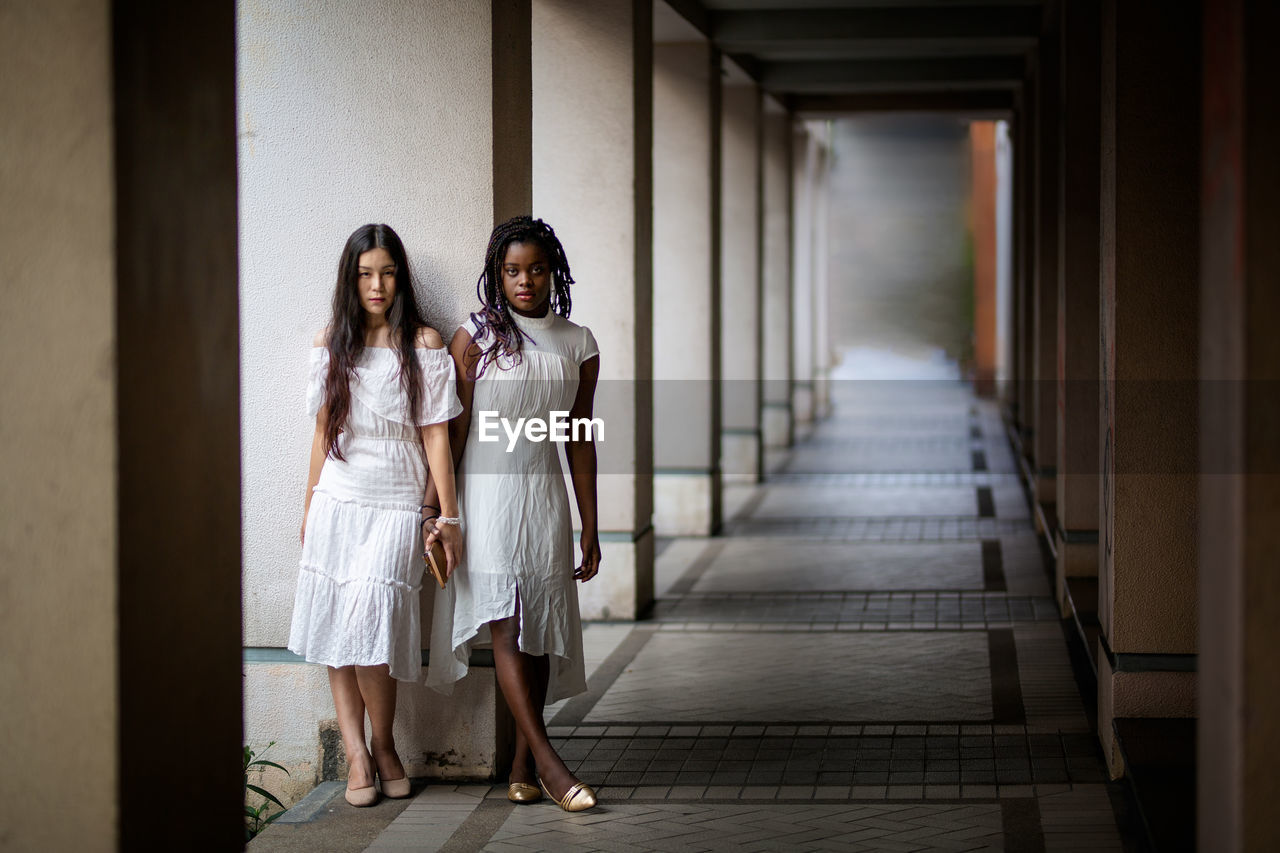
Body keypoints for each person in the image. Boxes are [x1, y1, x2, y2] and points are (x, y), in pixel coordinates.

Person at [425, 215, 601, 812]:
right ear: (497, 275)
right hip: (488, 495)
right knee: (506, 622)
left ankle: (523, 766)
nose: (524, 281)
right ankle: (553, 767)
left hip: (545, 493)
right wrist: (437, 510)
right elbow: (451, 433)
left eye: (535, 269)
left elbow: (578, 438)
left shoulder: (579, 342)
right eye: (511, 271)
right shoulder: (474, 338)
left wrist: (591, 524)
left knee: (542, 626)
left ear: (553, 272)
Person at [289, 223, 463, 807]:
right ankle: (359, 754)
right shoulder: (330, 345)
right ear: (350, 278)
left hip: (397, 502)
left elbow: (436, 437)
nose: (376, 284)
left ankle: (385, 743)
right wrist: (309, 504)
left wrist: (449, 516)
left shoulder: (425, 344)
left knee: (372, 631)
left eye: (387, 272)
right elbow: (321, 432)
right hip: (338, 497)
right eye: (365, 273)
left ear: (400, 277)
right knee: (340, 628)